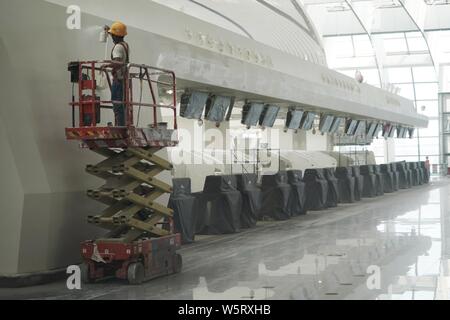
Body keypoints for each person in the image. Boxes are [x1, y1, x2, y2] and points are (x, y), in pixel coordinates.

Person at [103, 22, 130, 126]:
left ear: (116, 35)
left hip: (118, 80)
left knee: (117, 104)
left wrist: (106, 65)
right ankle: (122, 124)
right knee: (122, 104)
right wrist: (109, 31)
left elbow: (118, 62)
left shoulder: (118, 47)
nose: (112, 37)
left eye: (113, 35)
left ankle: (120, 126)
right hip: (124, 79)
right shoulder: (125, 45)